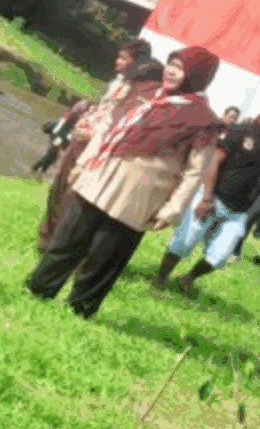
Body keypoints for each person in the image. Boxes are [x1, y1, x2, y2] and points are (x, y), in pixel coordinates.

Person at [26, 46, 221, 319]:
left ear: (197, 76)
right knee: (67, 238)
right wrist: (83, 165)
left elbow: (194, 172)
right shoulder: (148, 94)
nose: (171, 71)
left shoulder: (205, 121)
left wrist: (173, 209)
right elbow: (108, 126)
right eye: (171, 64)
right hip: (101, 176)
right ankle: (37, 290)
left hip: (140, 195)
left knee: (106, 256)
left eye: (180, 67)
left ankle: (79, 311)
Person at [34, 42, 163, 252]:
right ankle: (45, 239)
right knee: (58, 188)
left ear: (138, 62)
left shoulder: (140, 94)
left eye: (124, 58)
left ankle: (58, 244)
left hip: (97, 148)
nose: (118, 62)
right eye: (119, 57)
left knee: (73, 196)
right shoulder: (118, 83)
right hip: (82, 140)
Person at [151, 115, 260, 294]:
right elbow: (213, 162)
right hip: (214, 198)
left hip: (239, 211)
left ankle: (187, 278)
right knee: (184, 242)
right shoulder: (241, 131)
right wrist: (206, 197)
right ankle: (160, 279)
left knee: (220, 255)